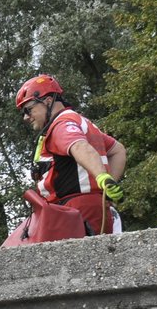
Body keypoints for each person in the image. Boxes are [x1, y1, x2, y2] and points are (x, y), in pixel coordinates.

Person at [16, 74, 127, 236]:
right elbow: (118, 151)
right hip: (91, 207)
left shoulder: (61, 125)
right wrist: (106, 189)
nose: (26, 117)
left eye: (28, 109)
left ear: (47, 101)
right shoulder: (80, 122)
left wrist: (103, 177)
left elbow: (79, 147)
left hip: (75, 212)